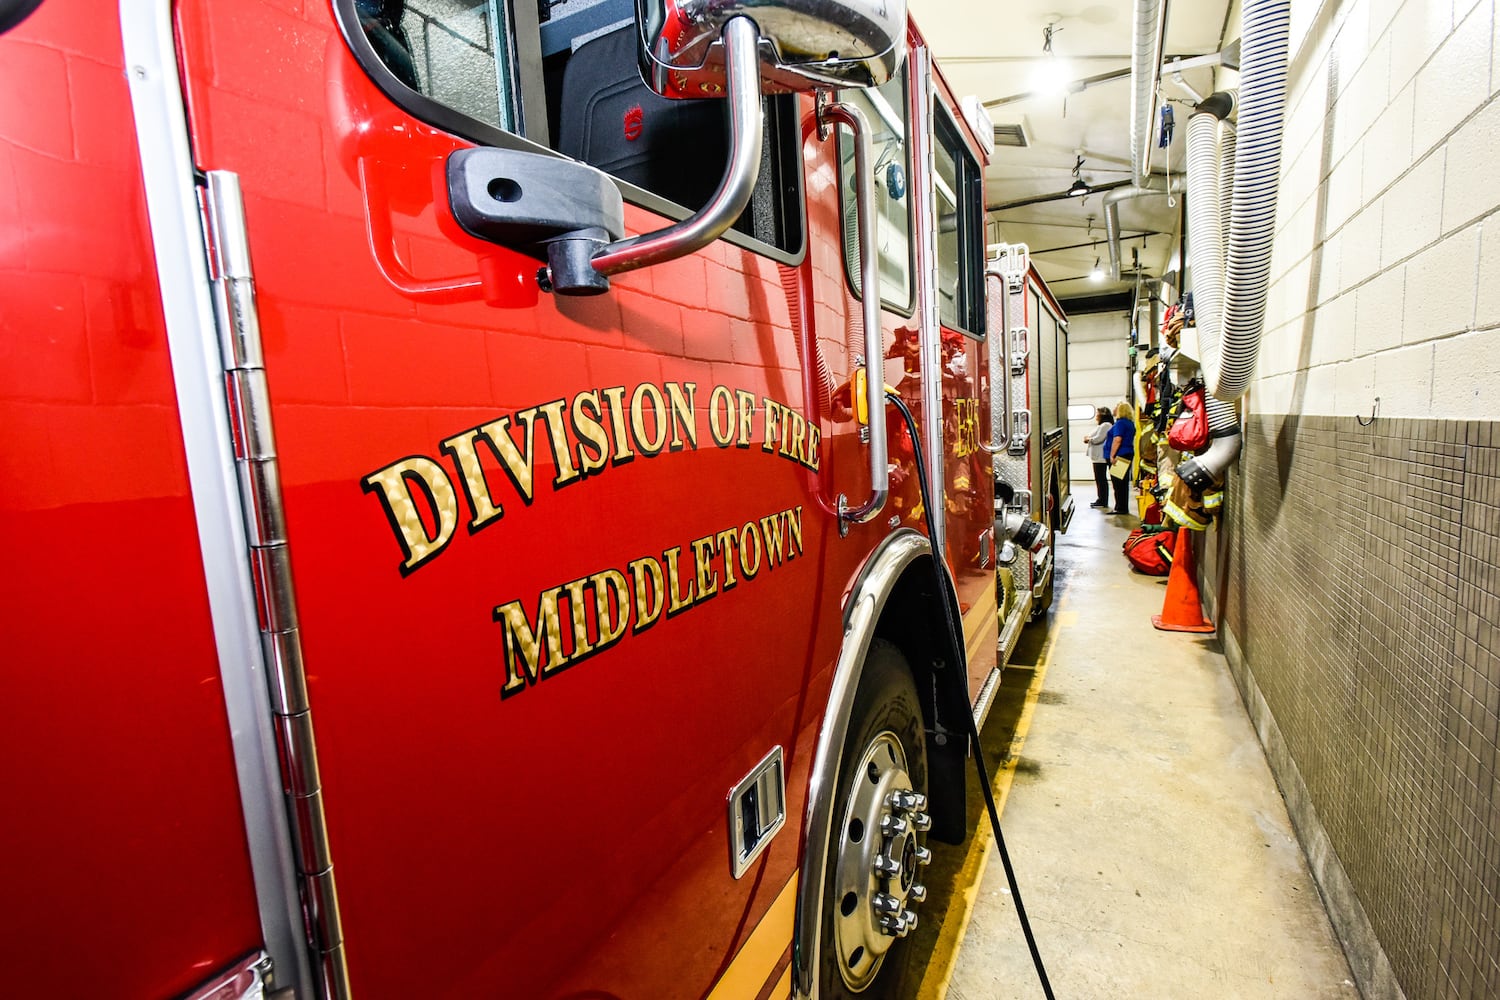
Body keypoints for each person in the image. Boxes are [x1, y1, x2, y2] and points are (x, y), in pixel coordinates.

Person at [1106, 401, 1136, 515]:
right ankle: (1121, 506)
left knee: (1118, 483)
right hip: (1127, 453)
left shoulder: (1120, 423)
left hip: (1120, 455)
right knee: (1122, 483)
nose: (1114, 409)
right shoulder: (1129, 423)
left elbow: (1117, 439)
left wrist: (1112, 455)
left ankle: (1120, 507)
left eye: (1116, 407)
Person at [1082, 406, 1112, 508]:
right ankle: (1101, 499)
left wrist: (1089, 439)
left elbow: (1098, 438)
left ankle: (1102, 500)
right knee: (1099, 479)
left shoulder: (1106, 425)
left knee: (1101, 479)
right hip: (1097, 457)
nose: (1096, 416)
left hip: (1100, 457)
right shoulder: (1102, 425)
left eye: (1097, 413)